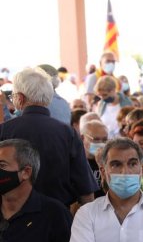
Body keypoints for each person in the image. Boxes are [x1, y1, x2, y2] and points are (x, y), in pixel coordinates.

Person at [0, 67, 97, 207]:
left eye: (13, 96)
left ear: (20, 98)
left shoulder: (4, 130)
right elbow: (86, 191)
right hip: (59, 219)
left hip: (13, 220)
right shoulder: (68, 133)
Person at [80, 120, 109, 198]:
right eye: (96, 139)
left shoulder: (111, 162)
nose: (101, 143)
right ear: (82, 138)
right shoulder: (76, 162)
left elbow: (112, 192)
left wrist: (102, 164)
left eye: (104, 140)